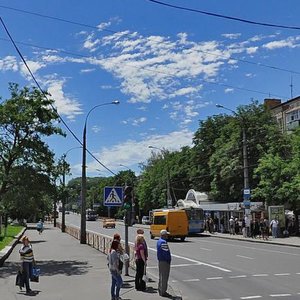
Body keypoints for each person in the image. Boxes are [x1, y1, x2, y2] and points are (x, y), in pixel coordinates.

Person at [157, 229, 171, 297]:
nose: (167, 236)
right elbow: (166, 253)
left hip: (161, 261)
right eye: (166, 235)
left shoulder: (159, 241)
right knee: (164, 277)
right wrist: (168, 260)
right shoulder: (163, 242)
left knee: (161, 276)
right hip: (164, 261)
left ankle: (160, 289)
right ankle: (163, 292)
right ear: (164, 235)